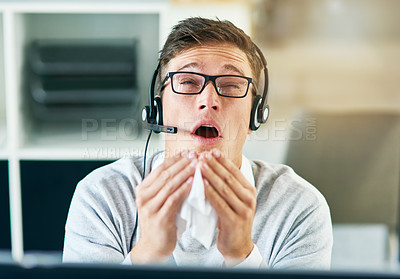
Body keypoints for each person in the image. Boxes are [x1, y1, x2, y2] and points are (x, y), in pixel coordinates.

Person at [63, 17, 332, 269]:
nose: (209, 100)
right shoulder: (102, 198)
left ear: (255, 115)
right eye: (189, 82)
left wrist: (242, 255)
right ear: (158, 109)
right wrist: (148, 253)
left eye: (230, 85)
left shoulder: (299, 208)